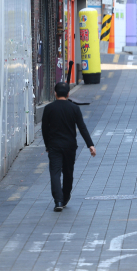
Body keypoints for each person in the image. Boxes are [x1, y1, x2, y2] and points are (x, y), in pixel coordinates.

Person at [42, 82, 96, 212]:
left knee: (54, 173)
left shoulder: (49, 108)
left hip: (54, 146)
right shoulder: (74, 108)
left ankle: (58, 201)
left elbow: (44, 129)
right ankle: (65, 197)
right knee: (68, 173)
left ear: (55, 93)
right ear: (68, 94)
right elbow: (82, 127)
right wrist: (90, 145)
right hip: (69, 146)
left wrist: (47, 145)